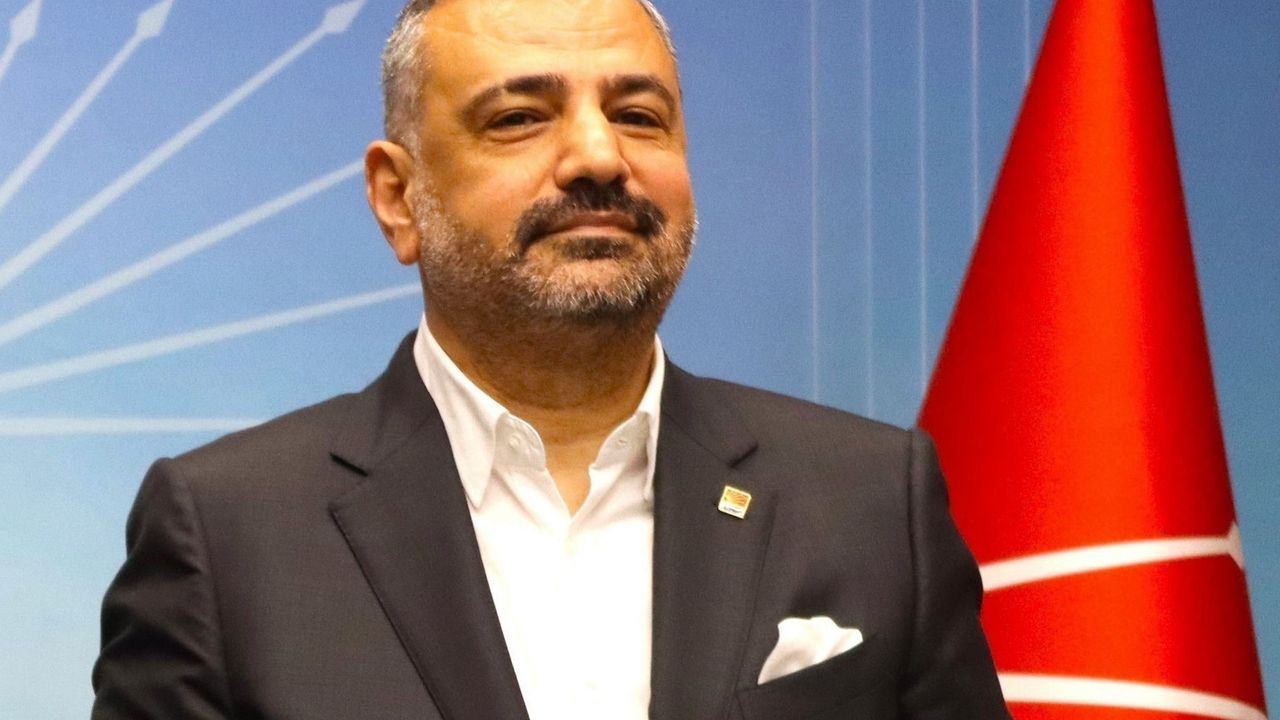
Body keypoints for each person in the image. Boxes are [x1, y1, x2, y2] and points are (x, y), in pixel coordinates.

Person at [91, 0, 1010, 718]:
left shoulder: (871, 500)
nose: (599, 156)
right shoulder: (226, 534)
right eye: (521, 117)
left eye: (639, 115)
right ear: (399, 198)